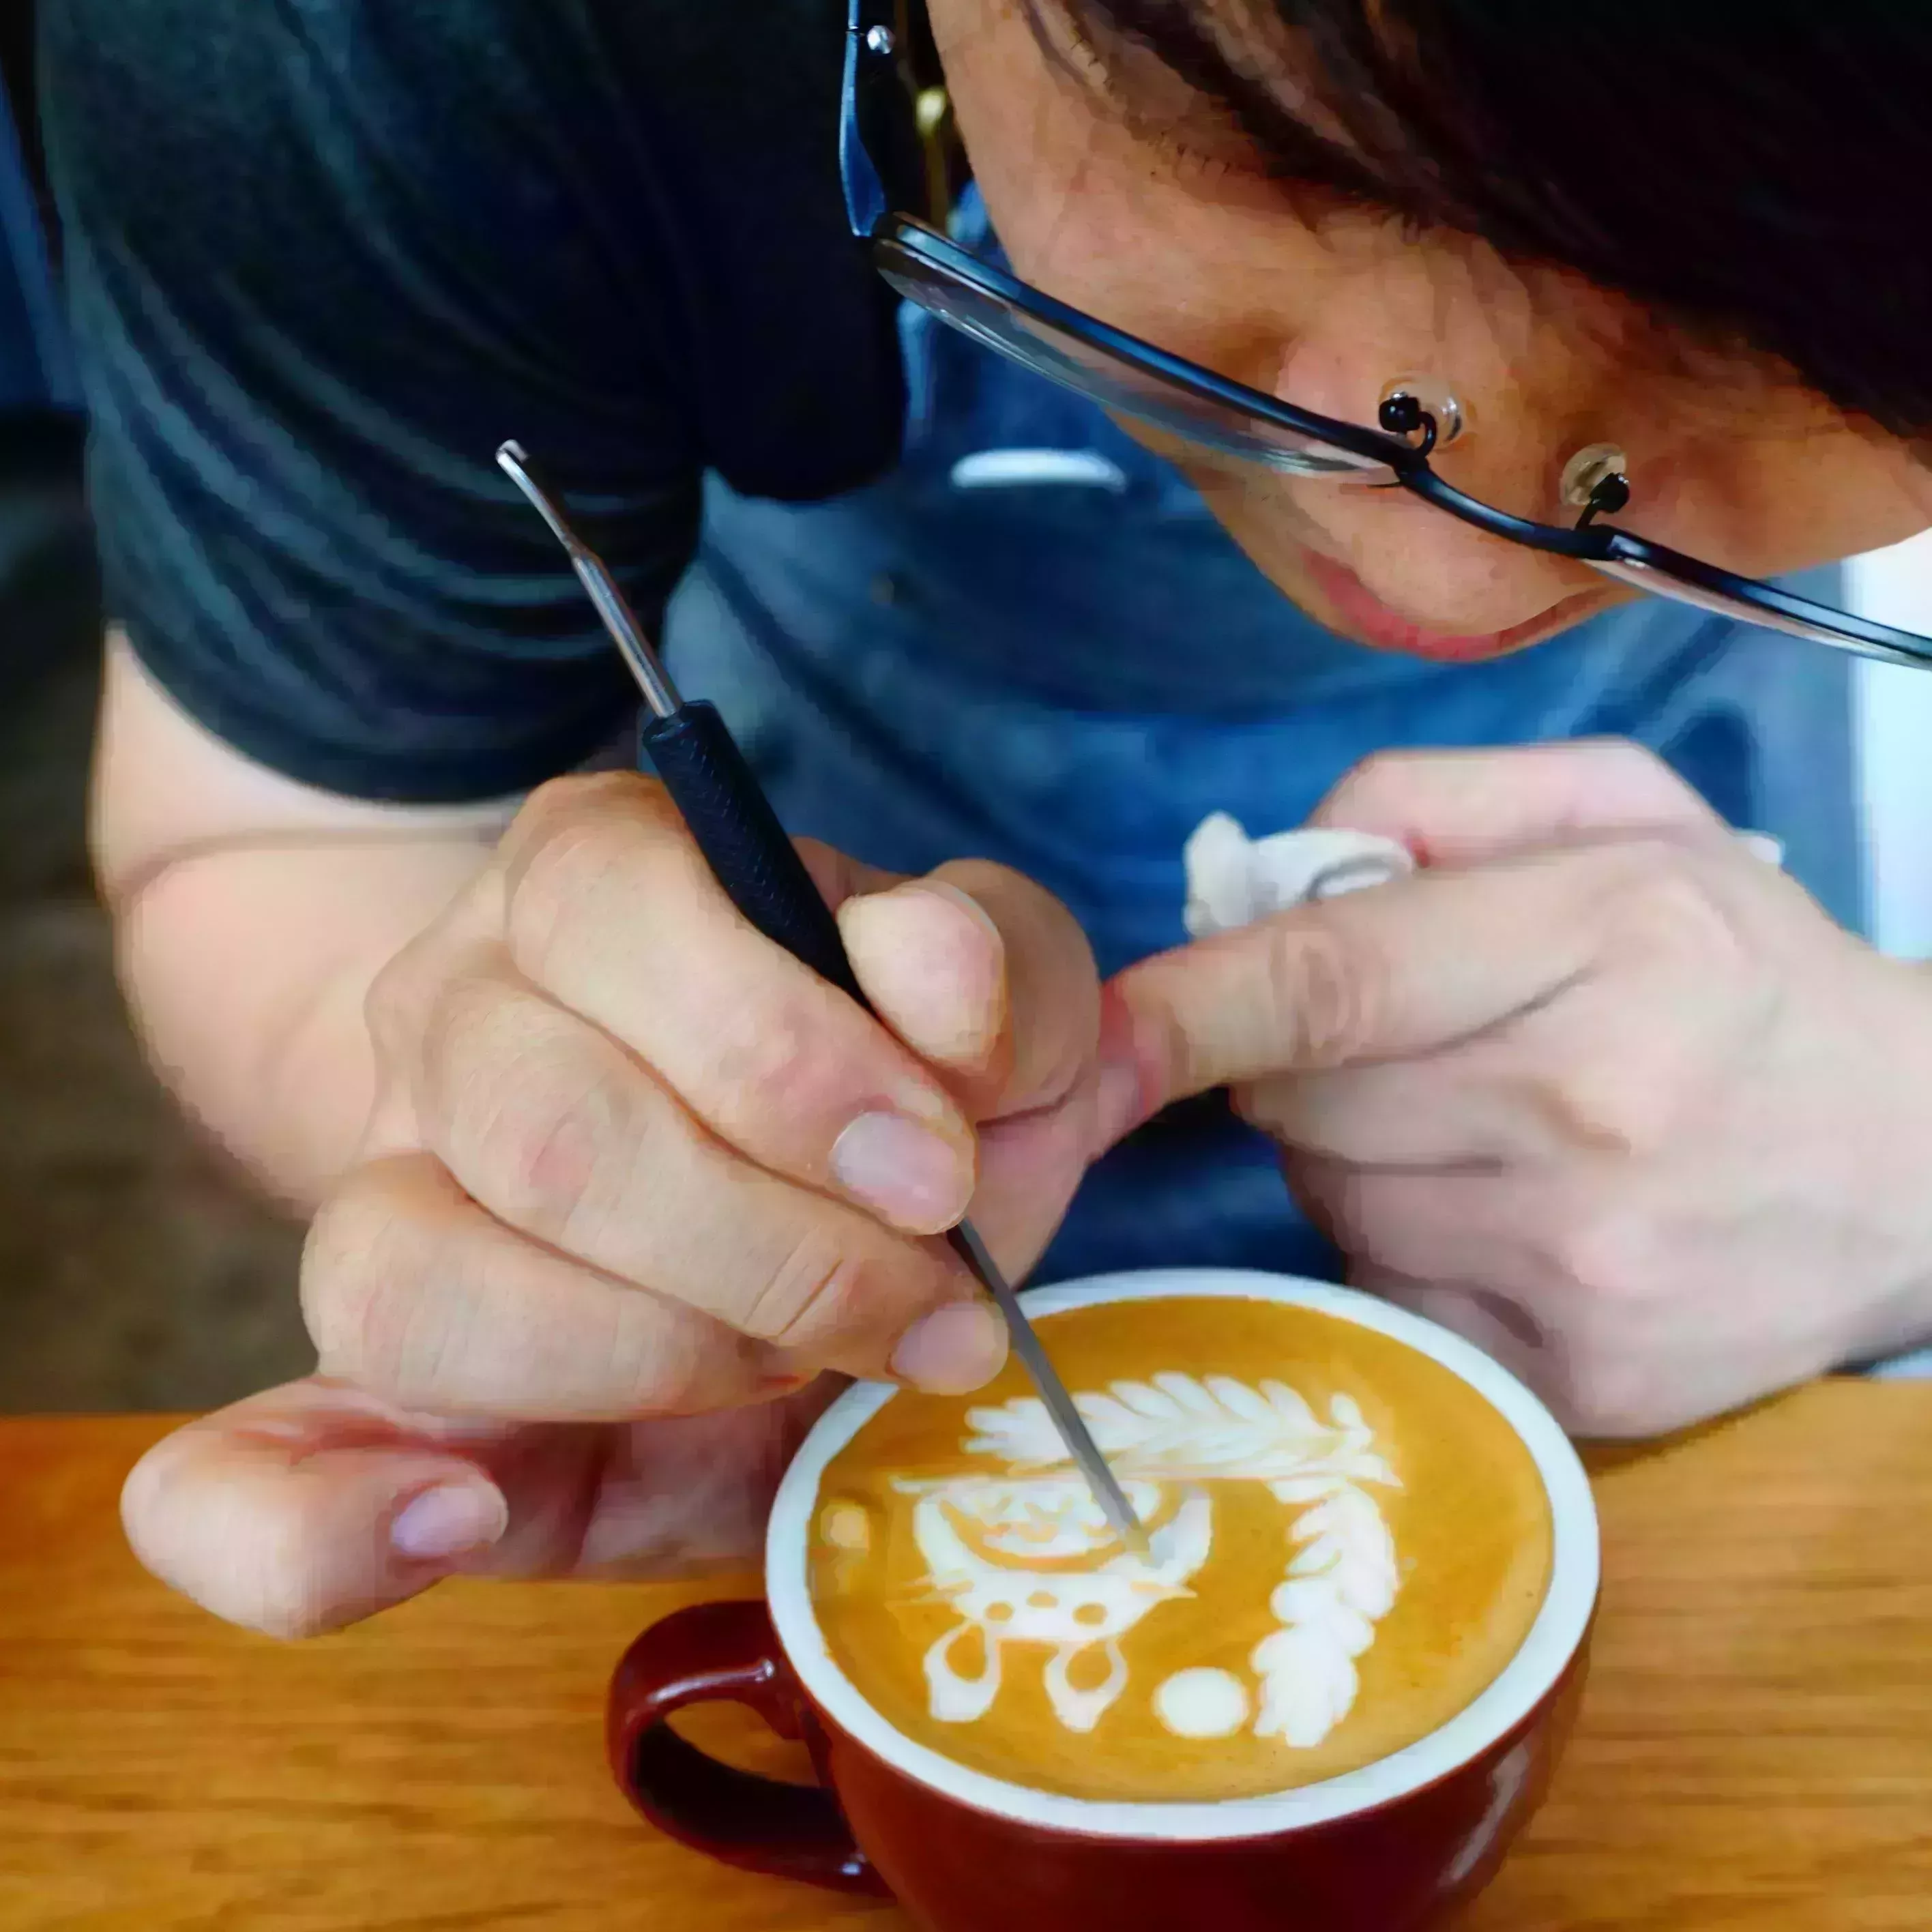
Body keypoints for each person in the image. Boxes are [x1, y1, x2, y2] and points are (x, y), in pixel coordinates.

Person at [42, 0, 1932, 1639]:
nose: (1428, 568)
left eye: (1797, 342)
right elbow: (305, 831)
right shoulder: (399, 42)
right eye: (1293, 150)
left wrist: (1903, 1141)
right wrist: (550, 1152)